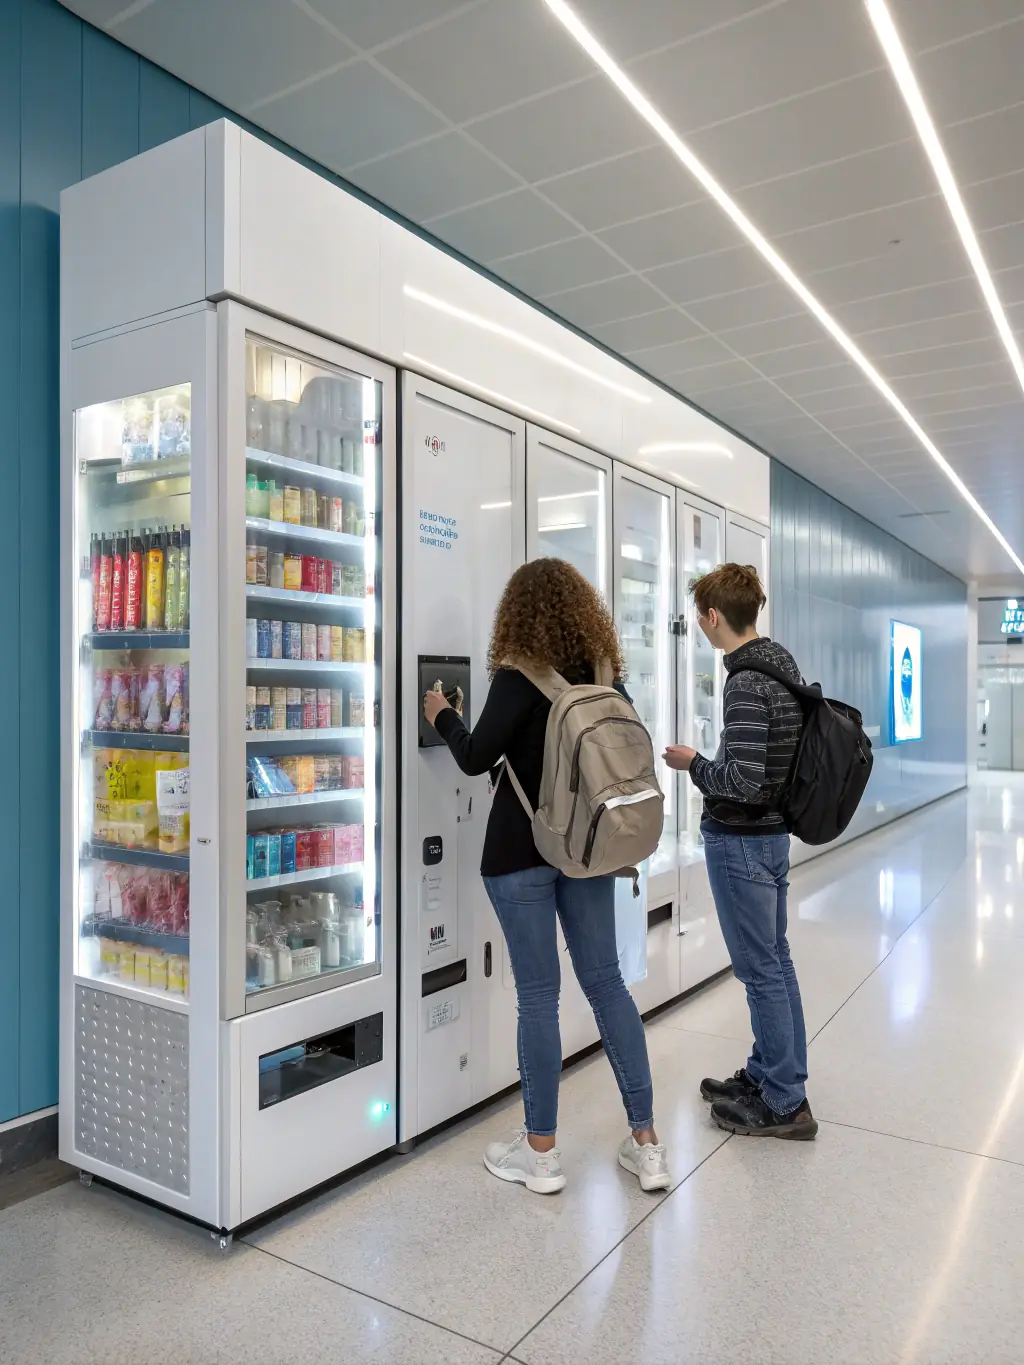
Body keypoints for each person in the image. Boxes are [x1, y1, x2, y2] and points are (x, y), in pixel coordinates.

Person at [423, 558, 671, 1195]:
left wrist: (441, 714)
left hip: (519, 851)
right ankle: (647, 1146)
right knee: (607, 985)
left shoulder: (517, 676)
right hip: (586, 852)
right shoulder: (605, 675)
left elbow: (476, 757)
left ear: (516, 615)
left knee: (538, 996)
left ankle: (540, 1157)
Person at [664, 563, 817, 1140]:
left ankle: (784, 1101)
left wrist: (693, 765)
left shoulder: (746, 682)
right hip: (770, 839)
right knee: (775, 962)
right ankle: (770, 1073)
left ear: (712, 616)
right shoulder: (779, 665)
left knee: (761, 972)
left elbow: (746, 782)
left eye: (700, 617)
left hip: (743, 843)